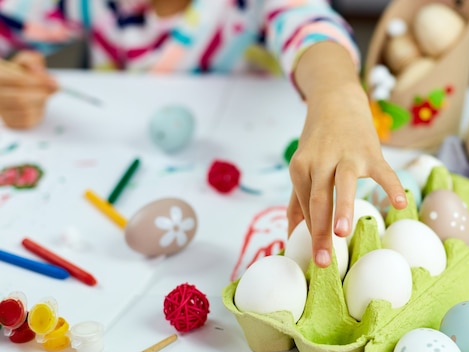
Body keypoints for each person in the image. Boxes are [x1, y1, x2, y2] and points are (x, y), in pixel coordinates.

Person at [0, 0, 407, 268]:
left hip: (237, 172)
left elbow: (309, 25)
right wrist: (13, 77)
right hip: (122, 165)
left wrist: (338, 96)